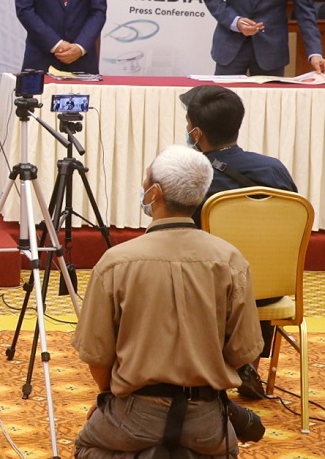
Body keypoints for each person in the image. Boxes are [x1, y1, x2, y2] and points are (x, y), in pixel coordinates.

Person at [71, 145, 263, 458]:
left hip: (134, 414)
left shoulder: (116, 262)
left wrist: (109, 397)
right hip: (206, 419)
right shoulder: (230, 260)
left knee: (88, 447)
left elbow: (97, 356)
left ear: (155, 193)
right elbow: (244, 351)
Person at [181, 84, 296, 398]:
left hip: (209, 294)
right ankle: (249, 365)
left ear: (196, 133)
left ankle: (199, 374)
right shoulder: (274, 169)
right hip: (269, 290)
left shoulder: (193, 176)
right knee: (252, 268)